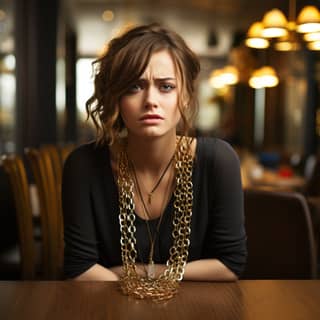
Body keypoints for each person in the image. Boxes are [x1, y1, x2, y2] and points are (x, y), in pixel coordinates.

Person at [62, 23, 247, 300]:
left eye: (166, 87)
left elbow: (230, 264)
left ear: (184, 97)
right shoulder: (84, 164)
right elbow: (79, 267)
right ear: (116, 98)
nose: (150, 100)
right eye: (134, 87)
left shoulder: (219, 160)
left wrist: (149, 272)